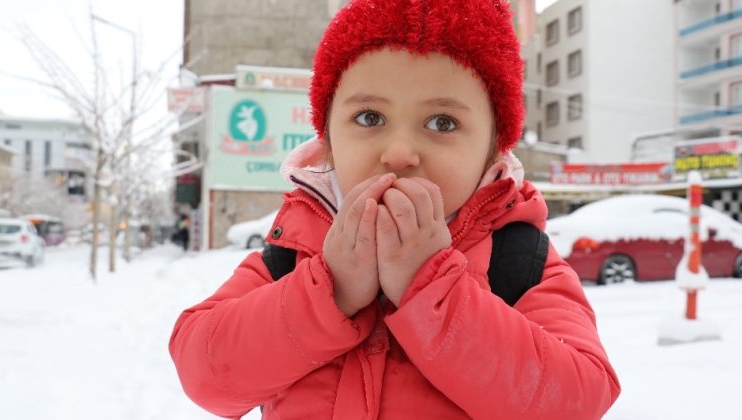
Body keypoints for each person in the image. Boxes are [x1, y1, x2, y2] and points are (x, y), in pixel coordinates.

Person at [169, 0, 620, 418]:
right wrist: (332, 290)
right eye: (369, 118)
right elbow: (204, 372)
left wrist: (431, 290)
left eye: (442, 122)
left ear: (492, 149)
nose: (400, 152)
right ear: (327, 141)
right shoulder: (296, 251)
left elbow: (578, 399)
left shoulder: (518, 259)